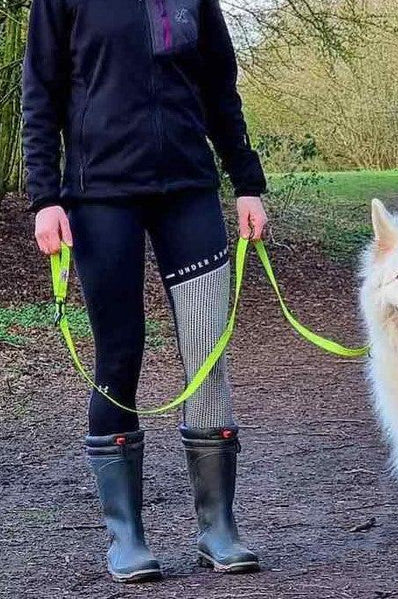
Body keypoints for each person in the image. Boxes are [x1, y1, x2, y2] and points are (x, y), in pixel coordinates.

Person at [22, 0, 268, 583]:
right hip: (100, 194)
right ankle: (126, 537)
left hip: (188, 189)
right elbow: (42, 91)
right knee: (119, 355)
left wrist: (247, 182)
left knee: (208, 356)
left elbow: (218, 86)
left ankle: (218, 529)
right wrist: (45, 196)